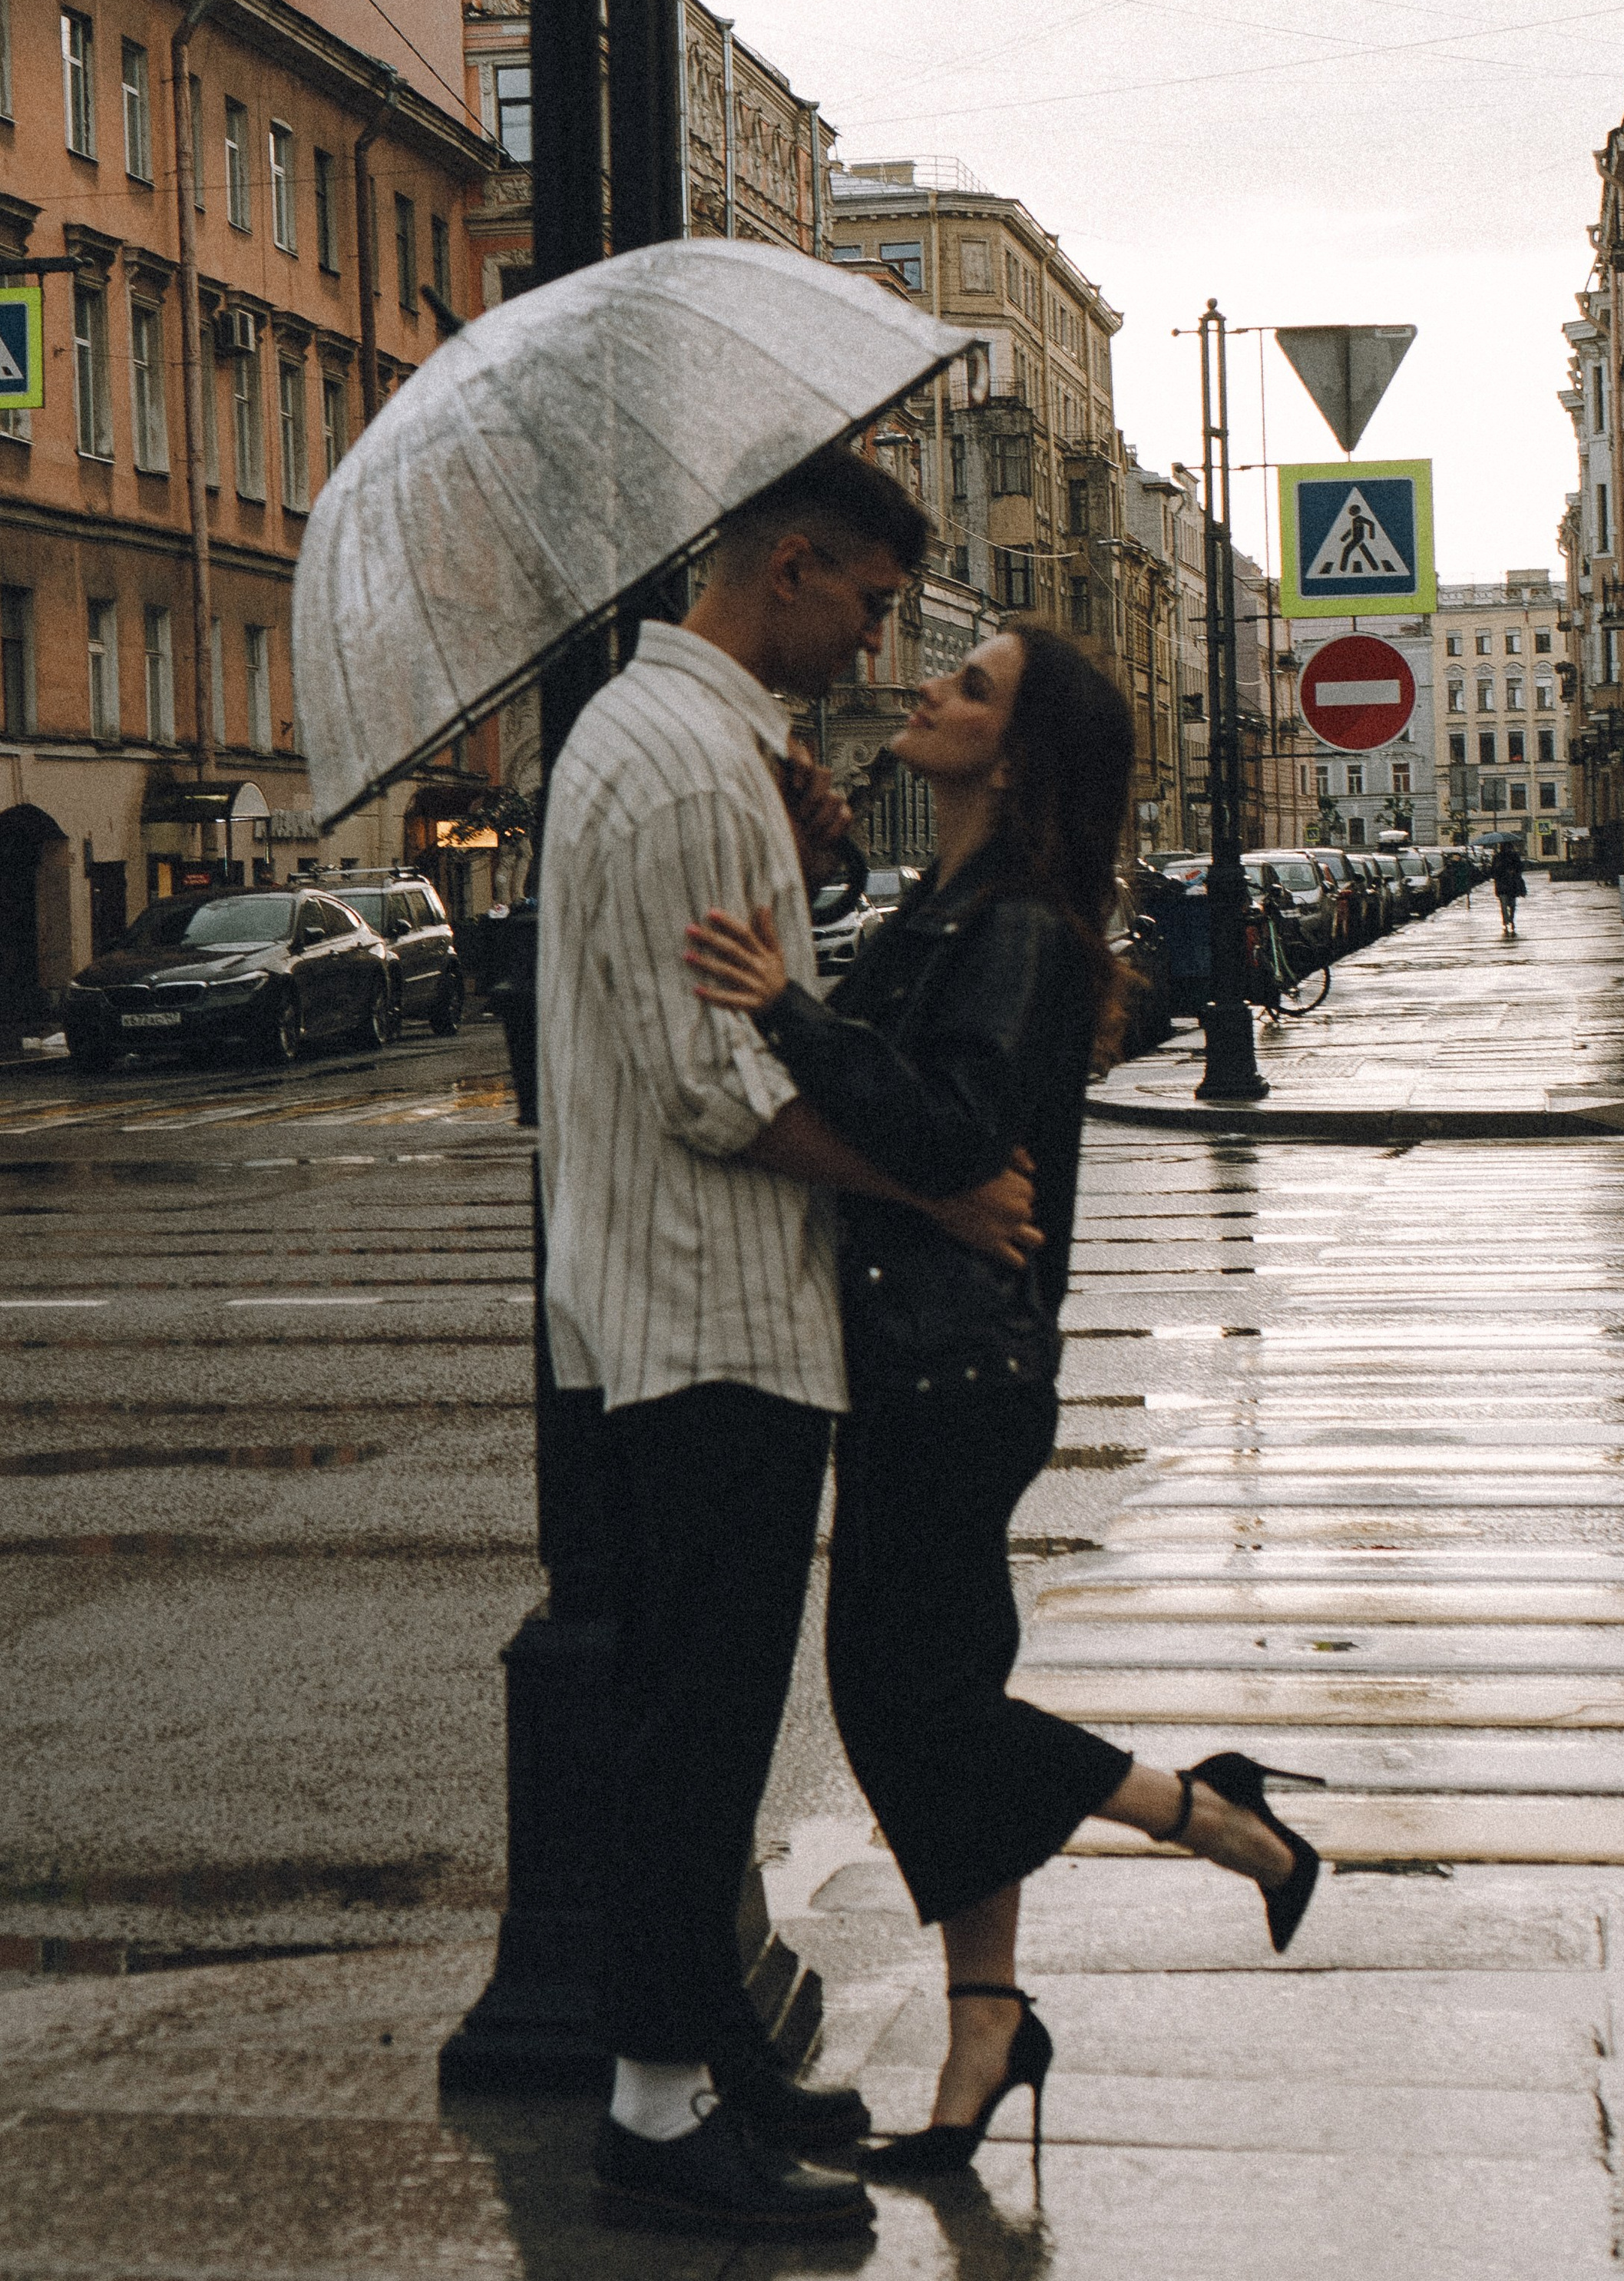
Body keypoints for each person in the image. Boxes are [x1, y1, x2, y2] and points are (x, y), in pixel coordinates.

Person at [686, 623, 1321, 2191]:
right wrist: (814, 883)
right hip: (936, 1360)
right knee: (939, 1693)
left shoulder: (1022, 927)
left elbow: (951, 1121)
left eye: (964, 686)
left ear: (1016, 755)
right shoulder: (959, 904)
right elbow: (913, 1063)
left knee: (909, 1709)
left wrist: (783, 1007)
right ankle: (984, 2033)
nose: (927, 689)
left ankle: (1213, 1814)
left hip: (950, 1376)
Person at [538, 445, 1043, 2240]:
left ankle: (711, 2061)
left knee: (708, 1721)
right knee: (694, 1730)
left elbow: (747, 1014)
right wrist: (929, 1198)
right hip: (709, 1310)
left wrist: (808, 873)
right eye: (875, 600)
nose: (880, 634)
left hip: (696, 1303)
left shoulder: (692, 747)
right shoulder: (685, 762)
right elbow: (709, 1087)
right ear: (795, 564)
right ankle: (658, 2115)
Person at [1492, 835, 1526, 936]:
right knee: (1508, 905)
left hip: (1507, 885)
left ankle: (1509, 921)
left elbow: (1520, 868)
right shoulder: (1498, 857)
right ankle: (1508, 921)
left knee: (1508, 905)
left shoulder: (1512, 857)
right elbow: (1494, 872)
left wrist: (1513, 871)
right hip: (1508, 885)